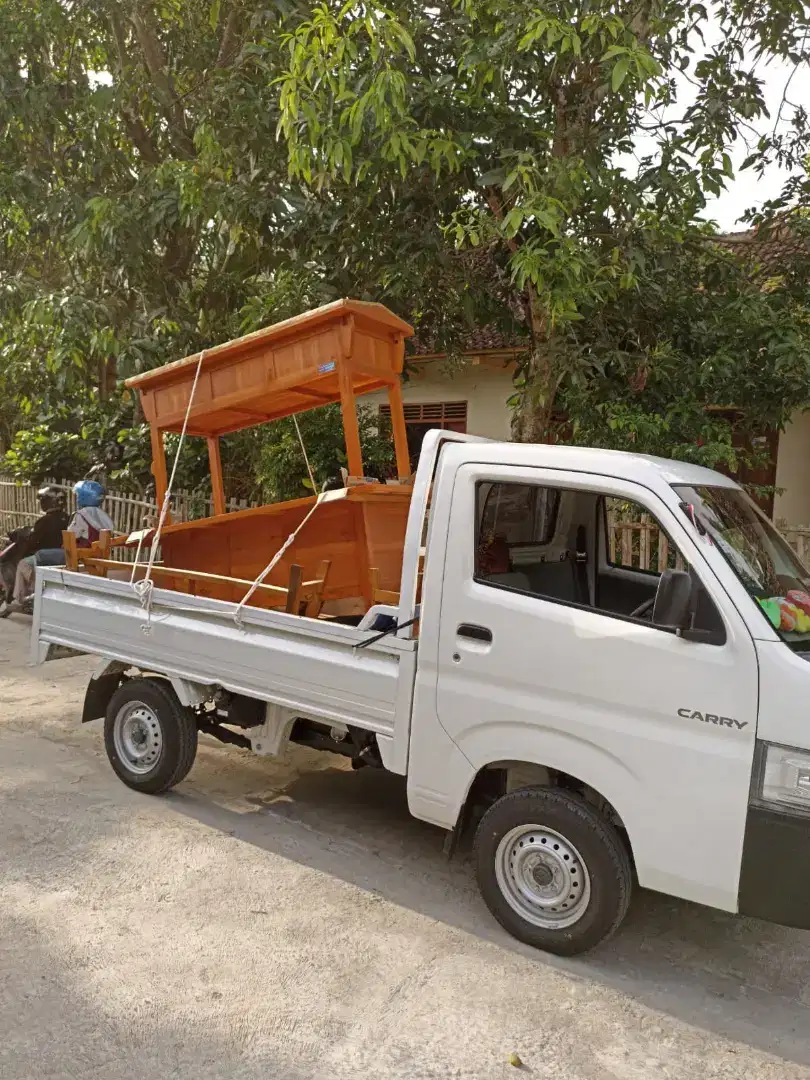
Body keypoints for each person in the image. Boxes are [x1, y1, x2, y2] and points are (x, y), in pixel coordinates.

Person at [1, 480, 115, 617]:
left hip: (76, 554)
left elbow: (71, 535)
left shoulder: (80, 515)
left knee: (34, 558)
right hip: (94, 555)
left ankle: (23, 598)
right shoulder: (103, 517)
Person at [0, 486, 68, 604]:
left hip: (46, 556)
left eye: (43, 500)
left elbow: (33, 540)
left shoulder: (45, 520)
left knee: (23, 564)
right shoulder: (66, 518)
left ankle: (23, 597)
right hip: (60, 555)